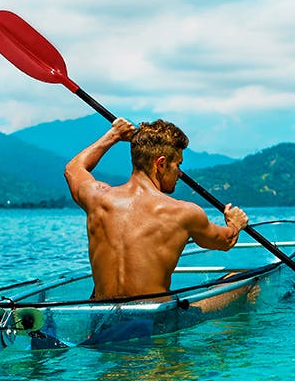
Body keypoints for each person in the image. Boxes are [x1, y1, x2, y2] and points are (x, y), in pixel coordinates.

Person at [65, 117, 249, 300]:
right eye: (178, 165)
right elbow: (226, 241)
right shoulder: (183, 212)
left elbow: (73, 169)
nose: (180, 173)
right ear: (160, 164)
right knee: (245, 281)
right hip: (154, 322)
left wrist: (113, 135)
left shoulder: (97, 198)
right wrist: (234, 224)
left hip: (101, 320)